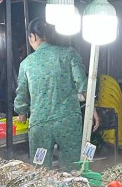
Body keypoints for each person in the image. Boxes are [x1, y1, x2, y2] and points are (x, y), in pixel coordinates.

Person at [14, 17, 95, 168]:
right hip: (68, 122)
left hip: (40, 125)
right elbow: (83, 84)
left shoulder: (26, 64)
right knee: (72, 168)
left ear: (33, 37)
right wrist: (92, 110)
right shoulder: (69, 54)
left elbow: (22, 94)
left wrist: (22, 112)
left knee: (39, 168)